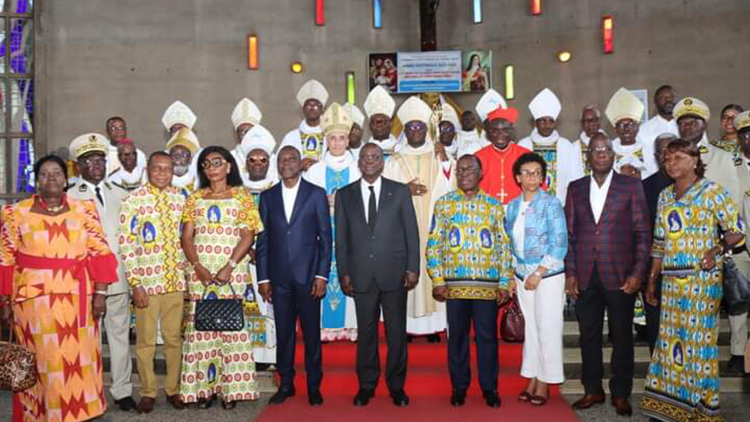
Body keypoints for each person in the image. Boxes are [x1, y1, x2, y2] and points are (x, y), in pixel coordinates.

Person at [0, 155, 119, 422]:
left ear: (66, 180)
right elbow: (4, 258)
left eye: (56, 172)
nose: (51, 177)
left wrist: (100, 294)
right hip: (33, 303)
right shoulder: (14, 212)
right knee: (44, 362)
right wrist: (5, 301)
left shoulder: (84, 209)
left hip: (78, 300)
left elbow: (100, 253)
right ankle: (44, 414)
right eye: (44, 173)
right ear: (36, 180)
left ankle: (79, 412)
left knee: (78, 359)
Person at [640, 140, 744, 422]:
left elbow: (737, 230)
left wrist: (717, 248)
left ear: (694, 159)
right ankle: (672, 405)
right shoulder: (664, 196)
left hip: (702, 281)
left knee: (698, 344)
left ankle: (703, 409)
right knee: (671, 342)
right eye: (666, 159)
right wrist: (651, 279)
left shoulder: (712, 192)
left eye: (677, 157)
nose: (670, 163)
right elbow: (660, 242)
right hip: (671, 283)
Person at [565, 133, 651, 417]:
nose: (601, 154)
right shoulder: (575, 188)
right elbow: (570, 235)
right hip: (586, 276)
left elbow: (642, 233)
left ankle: (621, 392)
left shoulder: (630, 186)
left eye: (606, 150)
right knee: (588, 336)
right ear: (587, 156)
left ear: (613, 155)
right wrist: (571, 273)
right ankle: (592, 390)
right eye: (595, 150)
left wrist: (639, 273)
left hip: (621, 275)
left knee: (622, 336)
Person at [334, 143, 420, 407]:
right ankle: (366, 386)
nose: (369, 161)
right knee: (367, 335)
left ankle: (396, 387)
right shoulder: (345, 195)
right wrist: (344, 272)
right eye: (365, 157)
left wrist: (413, 268)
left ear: (381, 162)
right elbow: (342, 237)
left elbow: (411, 232)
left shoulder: (400, 191)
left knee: (396, 334)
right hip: (361, 275)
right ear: (358, 163)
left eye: (374, 157)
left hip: (394, 273)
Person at [180, 146, 263, 409]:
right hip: (201, 273)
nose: (212, 167)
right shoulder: (195, 198)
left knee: (230, 328)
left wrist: (229, 265)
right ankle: (204, 390)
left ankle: (231, 391)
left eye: (217, 161)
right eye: (206, 163)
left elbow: (248, 235)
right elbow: (186, 237)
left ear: (228, 166)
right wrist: (197, 266)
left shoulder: (242, 197)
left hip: (232, 271)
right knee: (202, 331)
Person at [427, 154, 511, 408]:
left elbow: (504, 246)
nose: (464, 173)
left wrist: (505, 282)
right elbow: (433, 244)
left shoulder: (493, 205)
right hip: (454, 285)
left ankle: (489, 387)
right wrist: (438, 279)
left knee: (487, 337)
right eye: (460, 170)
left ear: (480, 173)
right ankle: (459, 387)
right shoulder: (444, 204)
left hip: (486, 285)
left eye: (470, 169)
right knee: (458, 338)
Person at [256, 146, 332, 406]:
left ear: (301, 163)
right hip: (279, 280)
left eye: (292, 159)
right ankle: (286, 383)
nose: (287, 163)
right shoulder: (268, 197)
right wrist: (264, 279)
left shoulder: (315, 194)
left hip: (309, 277)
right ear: (277, 165)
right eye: (282, 159)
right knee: (284, 334)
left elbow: (325, 238)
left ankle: (314, 386)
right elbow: (263, 241)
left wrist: (322, 275)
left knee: (311, 335)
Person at [66, 133, 137, 412]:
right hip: (83, 281)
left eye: (100, 160)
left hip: (117, 279)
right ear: (78, 166)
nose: (96, 165)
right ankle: (89, 389)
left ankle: (122, 390)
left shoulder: (120, 193)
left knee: (119, 336)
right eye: (89, 160)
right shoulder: (70, 197)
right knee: (86, 339)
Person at [118, 152, 187, 413]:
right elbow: (127, 244)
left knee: (173, 339)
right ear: (147, 170)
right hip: (147, 283)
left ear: (173, 171)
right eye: (157, 168)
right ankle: (147, 391)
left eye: (167, 168)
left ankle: (173, 389)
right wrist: (135, 283)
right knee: (146, 341)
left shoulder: (181, 198)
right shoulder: (133, 200)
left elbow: (188, 239)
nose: (162, 173)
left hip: (175, 282)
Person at [384, 96, 454, 337]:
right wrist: (405, 190)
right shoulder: (394, 160)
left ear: (427, 129)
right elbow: (384, 195)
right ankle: (408, 327)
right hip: (402, 231)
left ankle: (434, 326)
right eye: (411, 127)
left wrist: (445, 160)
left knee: (432, 266)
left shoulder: (438, 156)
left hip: (432, 227)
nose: (416, 131)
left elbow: (450, 185)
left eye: (420, 127)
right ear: (404, 130)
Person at [506, 152, 568, 407]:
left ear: (543, 177)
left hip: (548, 276)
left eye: (538, 173)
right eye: (527, 173)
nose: (533, 177)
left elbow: (560, 242)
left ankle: (546, 381)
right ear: (518, 177)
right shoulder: (512, 206)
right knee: (531, 329)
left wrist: (539, 272)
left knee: (549, 328)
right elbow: (511, 244)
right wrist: (512, 274)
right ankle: (531, 376)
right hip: (522, 275)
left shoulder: (551, 203)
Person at [304, 103, 360, 342]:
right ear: (326, 140)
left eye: (341, 138)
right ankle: (324, 327)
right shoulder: (315, 171)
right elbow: (304, 206)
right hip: (321, 235)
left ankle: (350, 325)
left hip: (352, 236)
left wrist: (344, 203)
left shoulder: (359, 169)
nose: (337, 143)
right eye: (332, 138)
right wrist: (321, 203)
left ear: (348, 140)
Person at [239, 125, 279, 366]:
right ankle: (248, 355)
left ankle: (271, 354)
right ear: (246, 163)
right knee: (247, 306)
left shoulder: (275, 189)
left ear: (268, 163)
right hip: (241, 258)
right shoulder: (236, 192)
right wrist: (247, 249)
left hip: (271, 258)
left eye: (262, 160)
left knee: (270, 306)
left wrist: (263, 250)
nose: (257, 164)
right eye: (252, 160)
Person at [640, 133, 677, 354]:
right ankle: (659, 373)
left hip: (690, 271)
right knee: (656, 326)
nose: (668, 155)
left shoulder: (697, 185)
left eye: (672, 149)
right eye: (663, 151)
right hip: (655, 268)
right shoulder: (645, 187)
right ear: (656, 156)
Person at [519, 88, 584, 204]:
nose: (547, 125)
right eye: (543, 121)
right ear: (535, 123)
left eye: (550, 121)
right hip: (529, 206)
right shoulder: (523, 145)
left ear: (555, 123)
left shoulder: (566, 146)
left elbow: (575, 180)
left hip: (559, 206)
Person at [475, 105, 531, 204]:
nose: (500, 135)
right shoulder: (478, 157)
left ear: (512, 131)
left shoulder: (526, 155)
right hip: (487, 211)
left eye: (505, 130)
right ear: (488, 133)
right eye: (494, 131)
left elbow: (537, 186)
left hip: (518, 211)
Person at [605, 87, 656, 179]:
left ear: (637, 127)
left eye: (631, 124)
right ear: (615, 129)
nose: (626, 128)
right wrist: (620, 174)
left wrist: (639, 175)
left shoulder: (649, 148)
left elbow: (656, 176)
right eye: (621, 124)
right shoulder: (608, 150)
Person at [280, 79, 329, 171]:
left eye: (316, 105)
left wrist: (318, 166)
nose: (312, 108)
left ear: (322, 109)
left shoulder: (330, 135)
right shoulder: (291, 137)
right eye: (308, 105)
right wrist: (298, 166)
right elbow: (280, 165)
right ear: (302, 109)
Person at [363, 85, 402, 159]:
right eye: (375, 122)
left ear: (390, 124)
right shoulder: (363, 151)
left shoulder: (401, 150)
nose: (379, 125)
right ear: (369, 126)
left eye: (382, 121)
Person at [230, 97, 263, 183]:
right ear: (236, 135)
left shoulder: (269, 157)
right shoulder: (229, 158)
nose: (247, 136)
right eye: (242, 132)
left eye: (250, 131)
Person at [639, 85, 679, 151]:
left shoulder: (686, 127)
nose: (668, 100)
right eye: (662, 97)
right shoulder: (643, 130)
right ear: (655, 102)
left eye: (672, 96)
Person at [166, 127, 201, 192]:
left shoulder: (199, 182)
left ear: (190, 159)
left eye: (184, 154)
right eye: (174, 154)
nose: (178, 157)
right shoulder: (161, 180)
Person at [575, 105, 606, 176]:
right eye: (587, 121)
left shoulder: (609, 144)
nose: (591, 124)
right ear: (582, 124)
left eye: (595, 120)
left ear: (599, 121)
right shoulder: (575, 147)